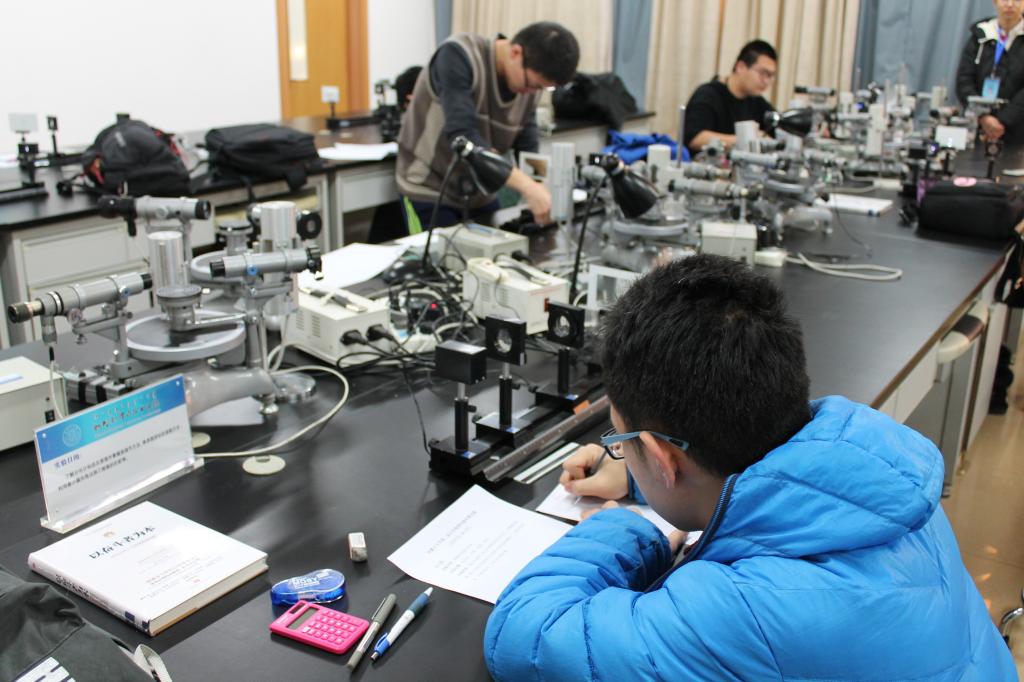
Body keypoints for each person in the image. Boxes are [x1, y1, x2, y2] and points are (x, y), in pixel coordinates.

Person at [484, 255, 1015, 680]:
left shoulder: (739, 613)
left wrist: (620, 529)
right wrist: (634, 476)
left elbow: (523, 634)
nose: (618, 452)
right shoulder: (886, 476)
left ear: (665, 461)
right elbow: (769, 480)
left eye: (622, 443)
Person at [395, 22, 579, 233]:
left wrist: (539, 188)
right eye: (533, 85)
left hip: (479, 193)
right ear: (515, 52)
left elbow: (527, 146)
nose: (532, 93)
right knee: (441, 254)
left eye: (542, 88)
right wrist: (528, 188)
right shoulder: (458, 55)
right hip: (429, 189)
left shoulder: (528, 86)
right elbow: (463, 137)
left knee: (499, 250)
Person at [684, 40, 777, 153]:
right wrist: (747, 140)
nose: (767, 81)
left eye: (771, 76)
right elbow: (694, 138)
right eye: (763, 73)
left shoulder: (757, 102)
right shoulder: (708, 94)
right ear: (740, 67)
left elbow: (778, 128)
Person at [956, 0, 1024, 145]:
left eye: (1017, 0)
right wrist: (983, 117)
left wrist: (1002, 121)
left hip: (1017, 132)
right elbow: (964, 79)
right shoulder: (980, 35)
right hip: (976, 128)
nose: (1010, 4)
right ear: (995, 2)